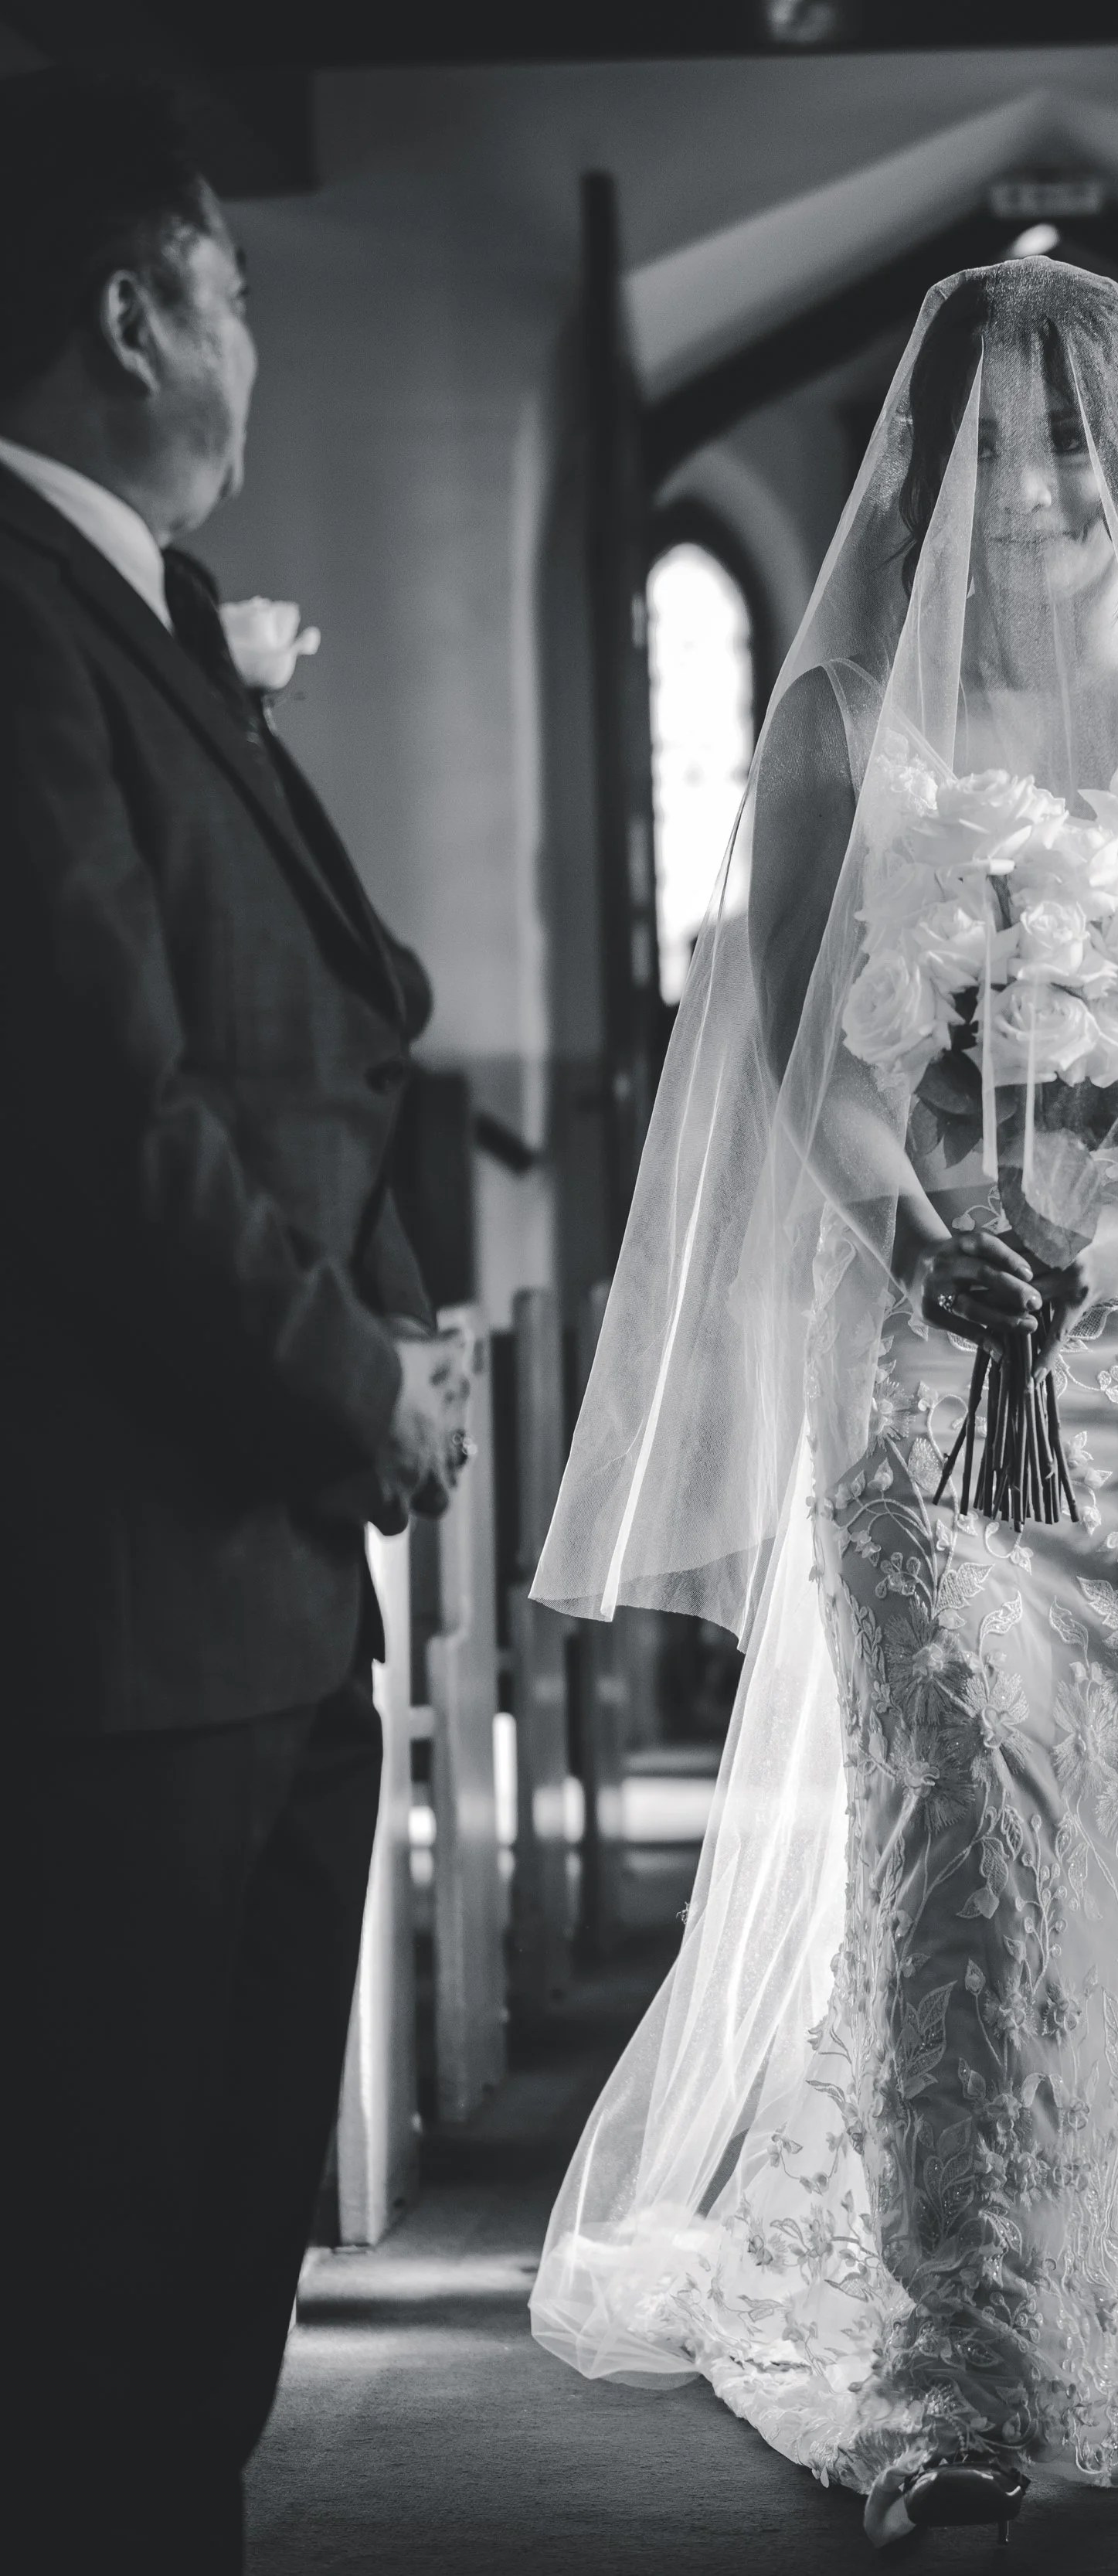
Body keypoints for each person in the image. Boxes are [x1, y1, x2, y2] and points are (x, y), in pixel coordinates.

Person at [528, 260, 1118, 2544]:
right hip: (924, 1353)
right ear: (928, 459)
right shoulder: (844, 710)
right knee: (956, 1832)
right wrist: (923, 1235)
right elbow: (797, 1061)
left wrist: (1097, 1246)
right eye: (986, 441)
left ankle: (1117, 2313)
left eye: (1070, 438)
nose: (1028, 484)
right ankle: (950, 2356)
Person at [0, 70, 470, 2571]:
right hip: (111, 1609)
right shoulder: (15, 612)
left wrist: (392, 1321)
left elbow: (324, 1035)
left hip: (258, 1590)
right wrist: (353, 1378)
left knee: (209, 2269)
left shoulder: (138, 609)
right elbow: (98, 1112)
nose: (253, 347)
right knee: (98, 2289)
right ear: (129, 310)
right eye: (237, 291)